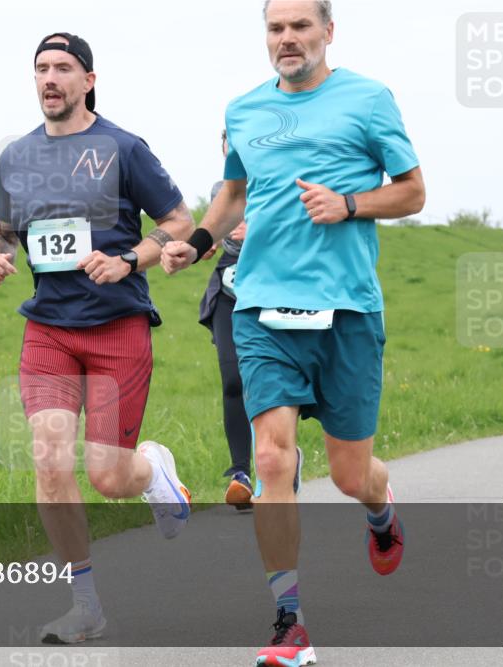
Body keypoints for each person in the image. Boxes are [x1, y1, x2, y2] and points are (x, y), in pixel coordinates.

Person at [161, 2, 425, 665]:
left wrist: (351, 204)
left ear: (327, 32)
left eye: (300, 26)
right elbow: (233, 194)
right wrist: (195, 243)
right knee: (273, 458)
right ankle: (288, 621)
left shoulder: (368, 99)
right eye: (275, 28)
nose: (287, 39)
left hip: (346, 311)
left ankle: (379, 503)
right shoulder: (245, 108)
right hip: (261, 307)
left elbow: (414, 191)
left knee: (349, 472)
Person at [0, 32, 195, 645]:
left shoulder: (124, 148)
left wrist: (130, 259)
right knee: (49, 458)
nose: (51, 79)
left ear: (88, 80)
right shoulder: (16, 156)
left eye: (64, 69)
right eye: (42, 69)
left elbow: (179, 225)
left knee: (107, 476)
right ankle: (84, 605)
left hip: (117, 326)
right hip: (48, 328)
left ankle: (151, 467)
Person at [199, 130, 302, 510]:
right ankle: (239, 472)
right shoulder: (219, 191)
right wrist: (203, 245)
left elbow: (296, 234)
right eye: (228, 148)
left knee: (272, 385)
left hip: (276, 288)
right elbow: (212, 236)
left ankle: (278, 463)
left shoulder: (283, 186)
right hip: (230, 289)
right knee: (233, 380)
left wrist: (255, 231)